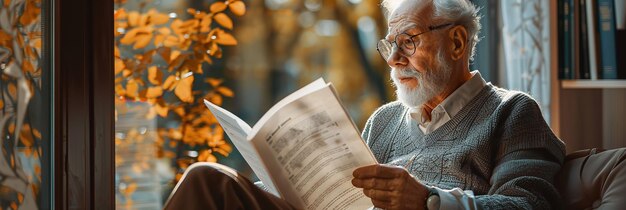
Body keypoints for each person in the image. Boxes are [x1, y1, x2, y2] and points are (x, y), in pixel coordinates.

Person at [164, 0, 566, 209]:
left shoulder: (513, 112)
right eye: (391, 45)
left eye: (408, 41)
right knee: (207, 180)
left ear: (457, 42)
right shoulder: (385, 120)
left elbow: (528, 205)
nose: (393, 60)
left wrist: (427, 202)